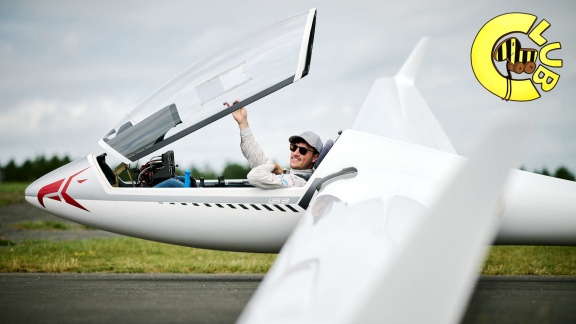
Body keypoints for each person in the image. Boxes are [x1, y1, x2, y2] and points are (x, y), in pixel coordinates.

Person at [232, 106, 323, 189]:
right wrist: (243, 123)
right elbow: (258, 159)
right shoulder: (291, 176)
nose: (295, 153)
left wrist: (275, 167)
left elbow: (254, 176)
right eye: (293, 147)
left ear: (315, 157)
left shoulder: (298, 182)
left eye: (303, 150)